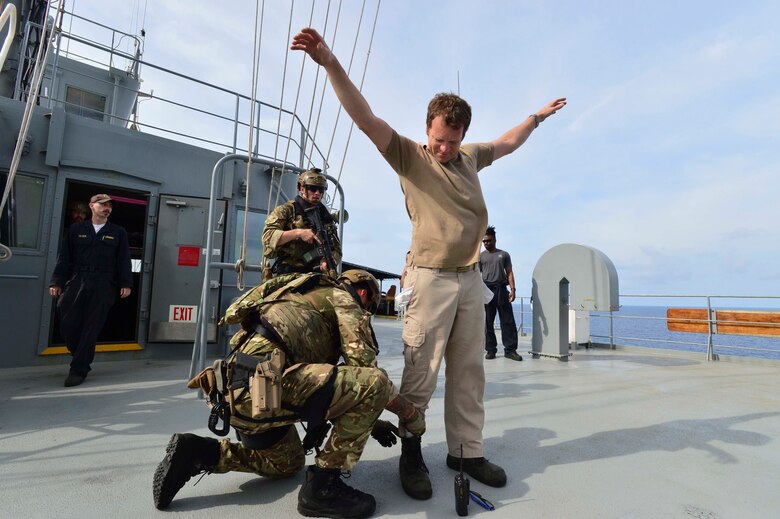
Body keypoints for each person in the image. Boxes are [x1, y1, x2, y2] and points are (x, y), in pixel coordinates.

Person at [291, 27, 566, 500]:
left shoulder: (469, 158)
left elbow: (505, 142)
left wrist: (537, 117)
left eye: (452, 142)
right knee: (421, 372)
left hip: (469, 281)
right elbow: (364, 116)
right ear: (428, 130)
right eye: (439, 140)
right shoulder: (411, 158)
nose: (444, 149)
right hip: (429, 279)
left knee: (469, 371)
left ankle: (465, 450)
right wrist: (329, 61)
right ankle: (412, 450)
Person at [153, 270, 424, 519]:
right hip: (265, 390)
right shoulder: (343, 298)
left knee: (286, 464)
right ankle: (323, 488)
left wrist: (371, 423)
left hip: (236, 394)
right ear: (363, 293)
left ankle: (199, 452)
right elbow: (367, 372)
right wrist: (410, 415)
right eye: (369, 307)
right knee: (376, 382)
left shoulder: (297, 291)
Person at [49, 194, 132, 387]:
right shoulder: (76, 229)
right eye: (102, 204)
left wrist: (125, 284)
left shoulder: (118, 232)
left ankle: (78, 369)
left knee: (91, 327)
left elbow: (123, 260)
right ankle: (80, 353)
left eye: (109, 205)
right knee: (67, 321)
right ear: (91, 206)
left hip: (103, 282)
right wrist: (56, 282)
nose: (107, 208)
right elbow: (64, 258)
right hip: (78, 278)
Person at [262, 168, 342, 279]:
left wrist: (330, 259)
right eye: (313, 189)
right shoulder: (287, 210)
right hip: (289, 275)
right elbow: (268, 237)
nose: (317, 193)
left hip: (316, 275)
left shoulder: (325, 217)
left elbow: (337, 249)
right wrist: (298, 233)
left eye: (321, 190)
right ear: (302, 189)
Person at [480, 226, 521, 361]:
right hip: (486, 289)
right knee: (487, 322)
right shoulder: (481, 257)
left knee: (507, 321)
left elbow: (509, 272)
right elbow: (477, 275)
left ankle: (510, 350)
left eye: (489, 241)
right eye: (484, 241)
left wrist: (513, 290)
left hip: (501, 290)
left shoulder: (503, 254)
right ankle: (490, 350)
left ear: (495, 240)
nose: (486, 243)